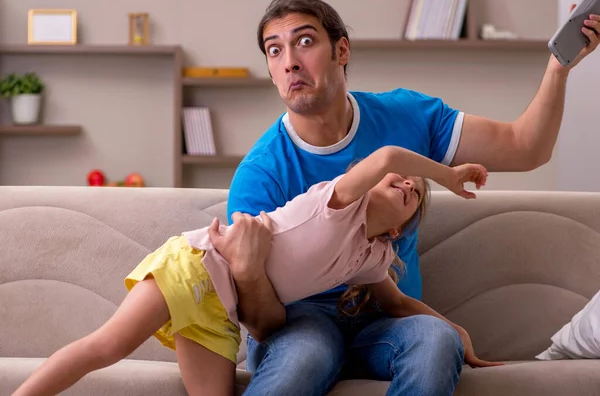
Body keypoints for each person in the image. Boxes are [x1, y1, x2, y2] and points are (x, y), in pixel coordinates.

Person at [225, 0, 600, 395]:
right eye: (274, 50)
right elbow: (259, 322)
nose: (290, 62)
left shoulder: (408, 116)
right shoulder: (260, 174)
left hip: (387, 323)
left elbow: (526, 148)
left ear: (341, 50)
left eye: (304, 42)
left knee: (436, 339)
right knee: (307, 353)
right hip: (299, 324)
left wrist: (559, 69)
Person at [12, 146, 495, 396]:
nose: (409, 182)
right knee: (107, 346)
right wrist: (445, 176)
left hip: (220, 315)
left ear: (399, 232)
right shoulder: (337, 201)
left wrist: (456, 332)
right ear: (367, 187)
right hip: (195, 268)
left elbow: (401, 303)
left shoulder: (372, 258)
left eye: (416, 193)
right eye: (400, 181)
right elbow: (388, 157)